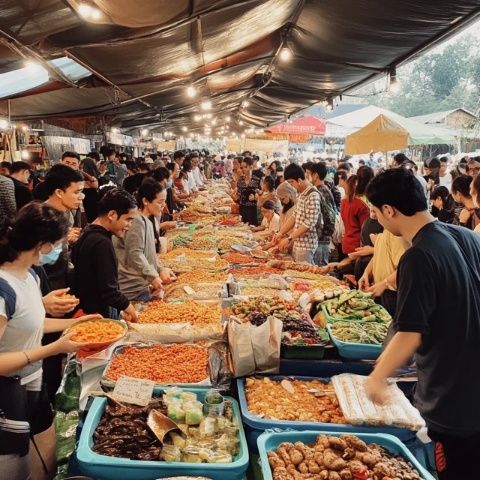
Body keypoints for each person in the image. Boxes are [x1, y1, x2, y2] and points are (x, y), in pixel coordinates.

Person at [364, 167, 480, 480]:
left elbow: (409, 334)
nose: (378, 220)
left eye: (377, 213)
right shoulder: (465, 236)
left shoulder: (420, 256)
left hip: (452, 401)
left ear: (390, 210)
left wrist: (376, 378)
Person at [0, 203, 98, 479]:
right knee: (16, 470)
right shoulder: (3, 287)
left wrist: (77, 323)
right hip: (7, 396)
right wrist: (54, 348)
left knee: (46, 460)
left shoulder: (29, 273)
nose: (59, 250)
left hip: (33, 383)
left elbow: (32, 324)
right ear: (42, 244)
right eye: (58, 244)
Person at [71, 188, 138, 321]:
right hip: (100, 316)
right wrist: (131, 310)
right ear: (112, 214)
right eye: (128, 219)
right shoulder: (102, 243)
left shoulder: (87, 233)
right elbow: (110, 292)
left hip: (89, 312)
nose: (129, 225)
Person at [114, 180, 176, 301]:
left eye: (164, 201)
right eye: (160, 202)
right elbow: (135, 254)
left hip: (141, 284)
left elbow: (149, 254)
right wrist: (152, 276)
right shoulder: (136, 221)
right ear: (145, 201)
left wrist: (160, 269)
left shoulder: (147, 220)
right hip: (132, 287)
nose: (164, 205)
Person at [275, 163, 321, 264]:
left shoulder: (313, 194)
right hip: (298, 243)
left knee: (304, 277)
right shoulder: (301, 194)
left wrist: (289, 238)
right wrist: (280, 232)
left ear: (299, 180)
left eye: (292, 183)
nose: (292, 186)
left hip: (306, 246)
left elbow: (309, 223)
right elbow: (294, 216)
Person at [304, 162, 336, 266]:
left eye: (310, 174)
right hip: (323, 238)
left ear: (316, 175)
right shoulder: (325, 189)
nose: (309, 177)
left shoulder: (318, 191)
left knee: (319, 271)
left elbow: (321, 218)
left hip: (320, 239)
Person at [340, 166, 373, 256]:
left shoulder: (344, 201)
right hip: (358, 246)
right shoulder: (363, 204)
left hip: (347, 243)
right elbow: (365, 229)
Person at [236, 157, 261, 226]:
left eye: (245, 167)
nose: (243, 169)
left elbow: (261, 194)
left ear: (251, 167)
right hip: (242, 209)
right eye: (242, 167)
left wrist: (256, 196)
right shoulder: (240, 180)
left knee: (253, 228)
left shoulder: (257, 180)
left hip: (253, 210)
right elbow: (238, 195)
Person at [80, 157, 99, 223]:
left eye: (83, 168)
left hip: (91, 201)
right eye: (81, 167)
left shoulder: (92, 178)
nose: (82, 169)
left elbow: (95, 185)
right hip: (83, 201)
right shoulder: (80, 178)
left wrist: (83, 173)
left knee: (92, 220)